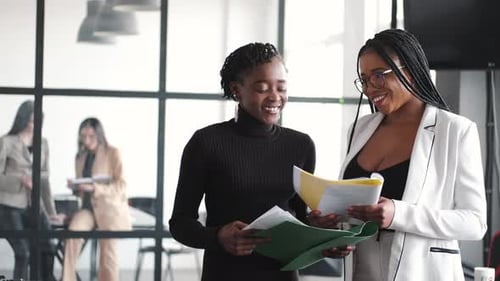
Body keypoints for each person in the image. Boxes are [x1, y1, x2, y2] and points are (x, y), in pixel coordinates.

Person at [339, 28, 487, 281]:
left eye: (378, 75)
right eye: (363, 79)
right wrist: (332, 218)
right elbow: (355, 206)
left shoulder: (455, 131)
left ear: (410, 69)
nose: (370, 88)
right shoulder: (360, 128)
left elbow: (475, 223)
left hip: (422, 273)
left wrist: (399, 214)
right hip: (361, 271)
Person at [169, 42, 320, 281]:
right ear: (237, 90)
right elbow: (180, 223)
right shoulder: (206, 143)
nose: (275, 97)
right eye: (262, 88)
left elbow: (301, 219)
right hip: (225, 273)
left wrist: (327, 237)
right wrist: (218, 237)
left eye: (281, 88)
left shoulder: (301, 145)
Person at [62, 117, 131, 281]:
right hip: (87, 209)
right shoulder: (80, 157)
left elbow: (121, 185)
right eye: (83, 136)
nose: (86, 140)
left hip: (108, 210)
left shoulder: (113, 152)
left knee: (108, 255)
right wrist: (76, 187)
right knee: (72, 235)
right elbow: (81, 190)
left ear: (99, 135)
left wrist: (95, 188)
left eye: (91, 136)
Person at [0, 100, 60, 281]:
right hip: (9, 205)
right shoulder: (6, 142)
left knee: (48, 246)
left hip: (35, 205)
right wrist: (20, 181)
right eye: (32, 121)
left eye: (39, 121)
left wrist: (51, 212)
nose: (35, 125)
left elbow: (45, 180)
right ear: (23, 120)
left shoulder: (43, 143)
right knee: (23, 252)